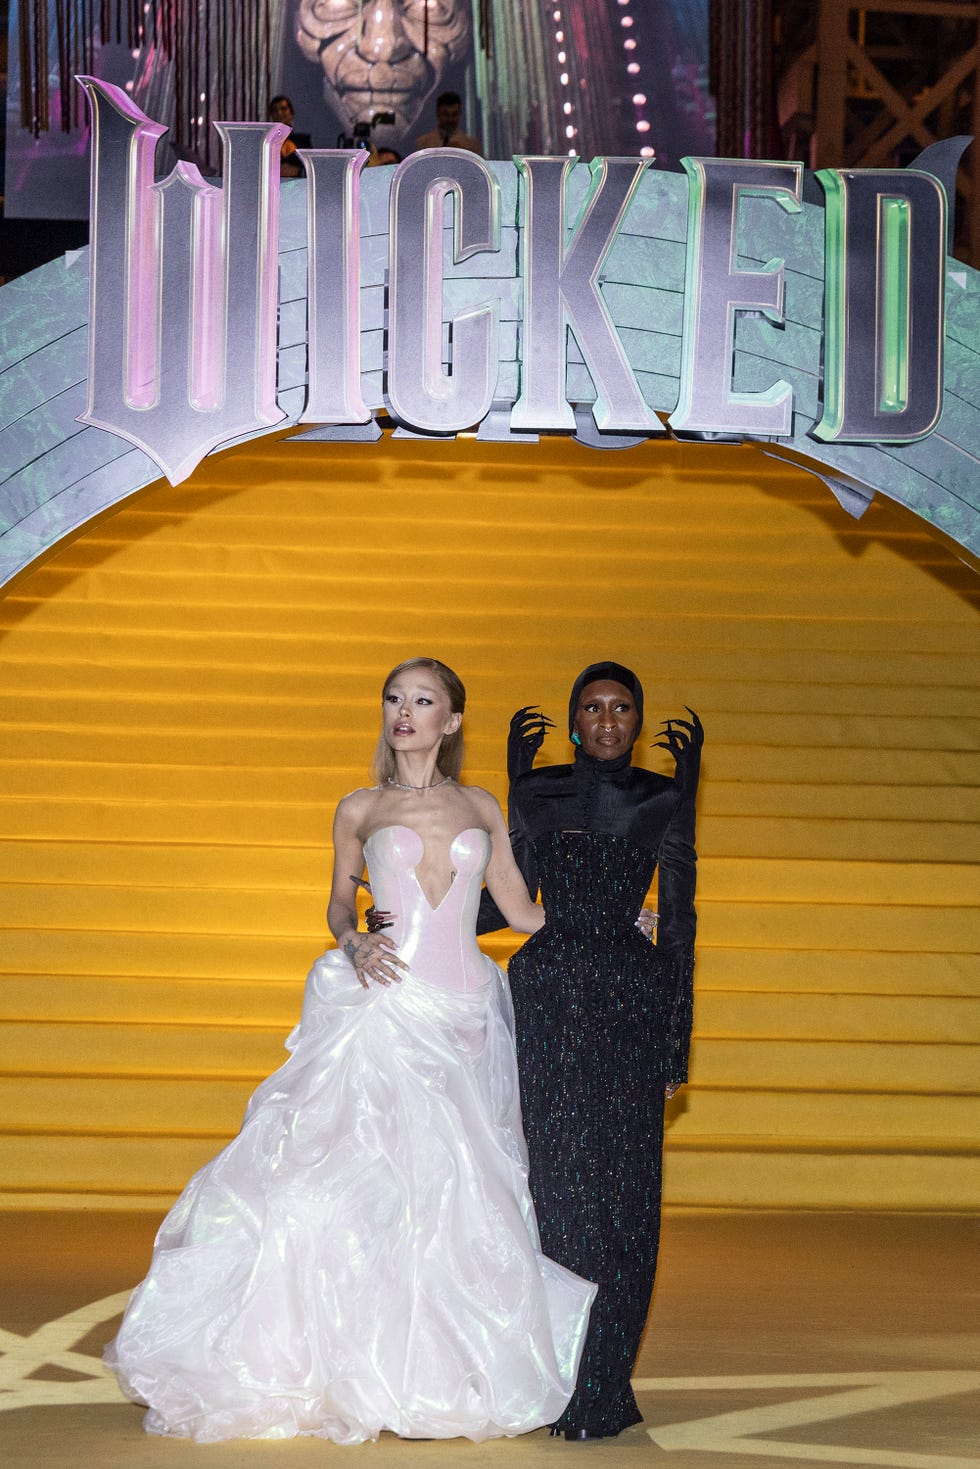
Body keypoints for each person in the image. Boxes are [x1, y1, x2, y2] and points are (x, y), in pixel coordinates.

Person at [104, 657, 595, 1444]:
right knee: (353, 1186)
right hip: (387, 1008)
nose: (405, 712)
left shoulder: (482, 804)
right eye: (394, 699)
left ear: (453, 720)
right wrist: (351, 935)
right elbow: (338, 898)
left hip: (467, 1013)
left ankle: (443, 1368)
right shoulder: (358, 807)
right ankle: (339, 1358)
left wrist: (610, 929)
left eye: (424, 700)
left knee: (459, 1195)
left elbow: (519, 910)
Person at [483, 661, 702, 1440]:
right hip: (547, 998)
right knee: (559, 1185)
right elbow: (503, 901)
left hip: (631, 1003)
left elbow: (678, 921)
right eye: (592, 707)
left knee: (628, 1193)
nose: (607, 719)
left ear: (635, 721)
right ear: (575, 721)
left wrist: (677, 1038)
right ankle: (562, 1377)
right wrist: (403, 909)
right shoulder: (536, 792)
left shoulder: (664, 797)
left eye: (620, 707)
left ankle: (603, 1382)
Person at [414, 89, 484, 154]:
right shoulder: (423, 144)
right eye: (446, 114)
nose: (450, 119)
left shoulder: (473, 146)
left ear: (460, 114)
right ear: (438, 114)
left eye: (454, 114)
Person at [267, 94, 311, 177]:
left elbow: (310, 170)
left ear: (291, 112)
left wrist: (297, 170)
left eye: (283, 109)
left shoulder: (303, 141)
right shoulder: (267, 144)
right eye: (275, 111)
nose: (279, 113)